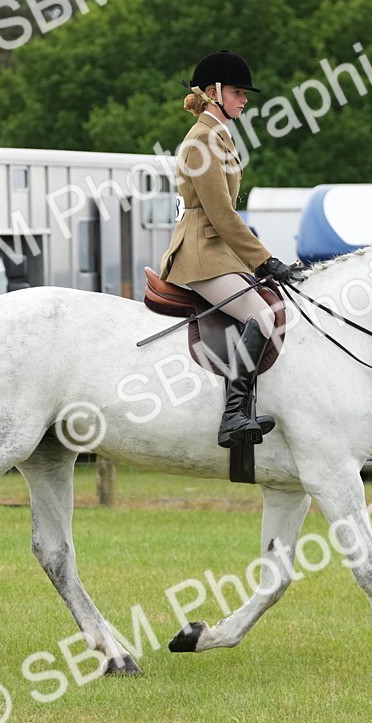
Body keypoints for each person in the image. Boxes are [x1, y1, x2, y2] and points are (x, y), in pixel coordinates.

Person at [159, 50, 307, 448]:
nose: (244, 100)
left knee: (272, 303)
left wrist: (263, 261)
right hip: (199, 254)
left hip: (217, 251)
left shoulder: (219, 136)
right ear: (212, 92)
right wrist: (265, 260)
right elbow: (222, 214)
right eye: (238, 92)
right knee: (261, 315)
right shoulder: (203, 141)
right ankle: (233, 416)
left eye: (244, 93)